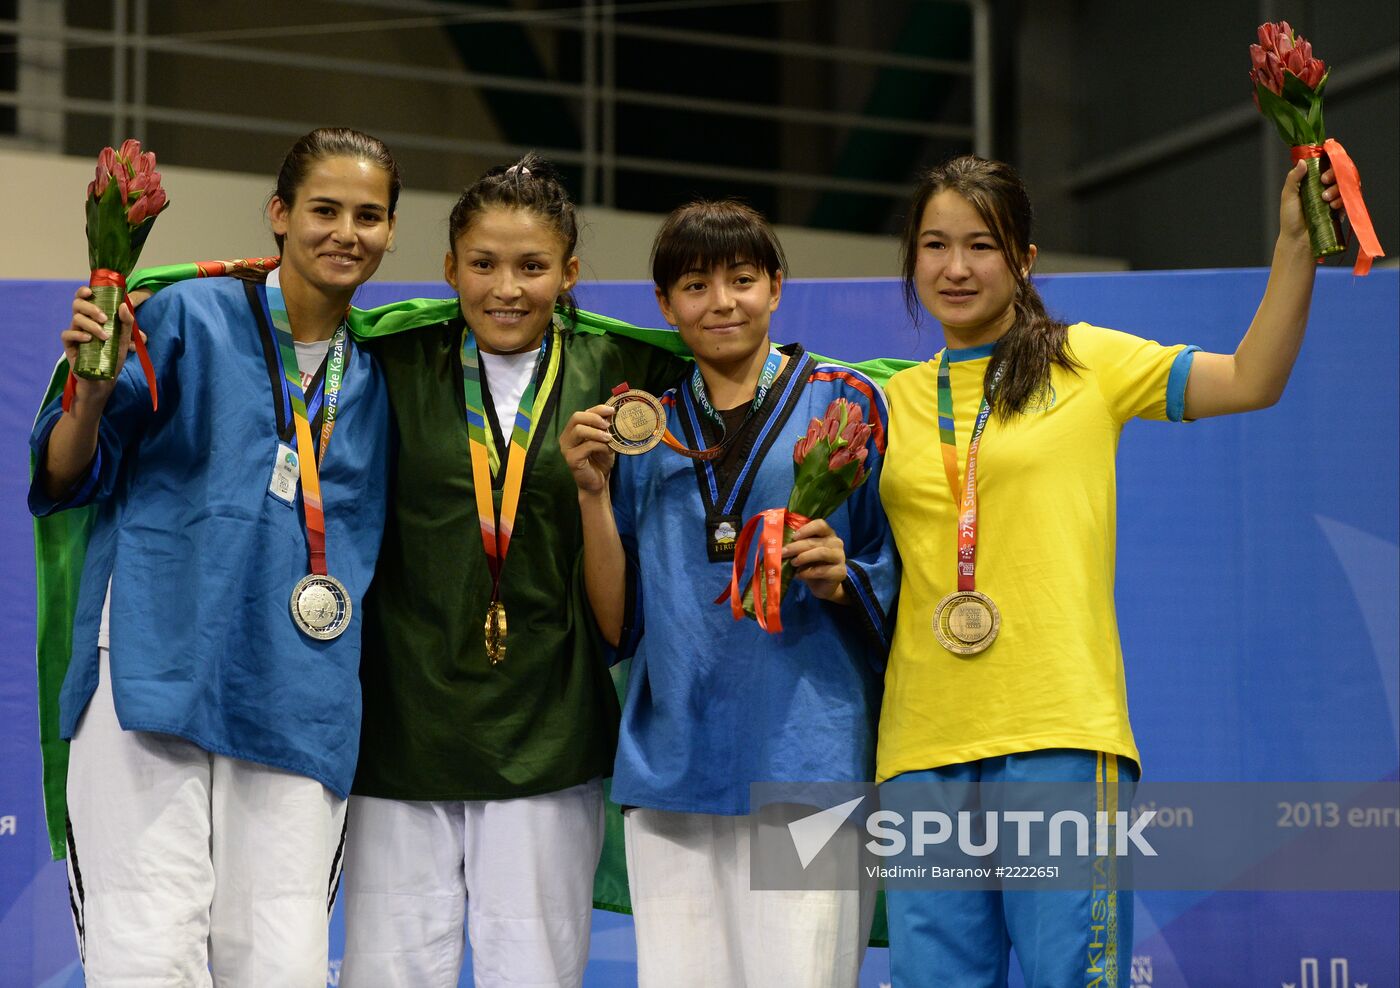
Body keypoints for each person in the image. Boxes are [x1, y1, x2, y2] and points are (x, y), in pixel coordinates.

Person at [875, 154, 1343, 987]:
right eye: (934, 245)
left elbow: (1252, 378)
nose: (954, 268)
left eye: (980, 245)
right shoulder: (887, 403)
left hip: (1060, 733)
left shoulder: (1085, 362)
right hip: (922, 745)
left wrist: (1295, 244)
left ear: (1024, 258)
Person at [27, 127, 399, 986]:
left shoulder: (383, 372)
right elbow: (68, 472)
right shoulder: (186, 314)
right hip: (152, 671)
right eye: (325, 209)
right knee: (145, 949)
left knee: (280, 961)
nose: (347, 231)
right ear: (278, 214)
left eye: (369, 215)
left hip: (298, 692)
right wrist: (86, 390)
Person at [338, 155, 684, 988]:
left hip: (548, 732)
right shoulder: (390, 358)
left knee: (532, 973)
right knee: (387, 975)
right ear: (449, 267)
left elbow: (759, 381)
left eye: (532, 267)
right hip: (399, 731)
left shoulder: (628, 372)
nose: (506, 288)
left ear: (568, 273)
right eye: (483, 264)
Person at [560, 200, 898, 988]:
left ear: (777, 287)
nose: (722, 303)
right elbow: (618, 623)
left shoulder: (846, 404)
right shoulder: (644, 425)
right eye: (696, 286)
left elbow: (894, 564)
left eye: (743, 279)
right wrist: (591, 496)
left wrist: (844, 575)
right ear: (664, 306)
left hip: (805, 756)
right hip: (674, 756)